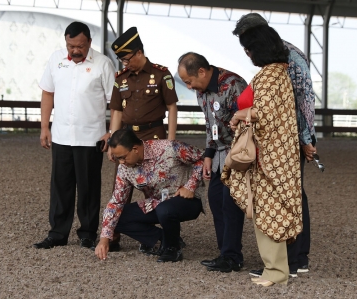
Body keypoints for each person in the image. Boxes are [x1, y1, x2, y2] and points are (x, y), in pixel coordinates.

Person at [232, 13, 317, 277]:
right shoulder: (278, 56)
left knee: (287, 196)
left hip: (287, 140)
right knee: (288, 194)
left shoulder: (288, 57)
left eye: (247, 46)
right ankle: (290, 260)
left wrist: (306, 139)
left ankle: (293, 260)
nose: (246, 53)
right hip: (280, 138)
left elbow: (304, 99)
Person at [222, 25, 303, 286]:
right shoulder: (279, 72)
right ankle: (275, 270)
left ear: (257, 49)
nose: (247, 54)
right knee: (270, 211)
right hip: (276, 154)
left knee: (268, 212)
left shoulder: (270, 75)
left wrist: (239, 115)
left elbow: (264, 113)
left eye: (248, 48)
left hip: (269, 157)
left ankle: (276, 272)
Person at [33, 21, 116, 250]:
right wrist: (44, 127)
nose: (75, 50)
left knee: (89, 187)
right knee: (61, 186)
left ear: (89, 42)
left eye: (80, 46)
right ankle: (58, 233)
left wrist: (112, 132)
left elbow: (116, 102)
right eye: (71, 46)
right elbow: (47, 93)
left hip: (91, 137)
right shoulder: (55, 59)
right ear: (66, 43)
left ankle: (87, 233)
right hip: (61, 135)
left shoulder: (103, 64)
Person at [107, 26, 179, 253]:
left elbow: (172, 107)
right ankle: (114, 236)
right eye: (122, 60)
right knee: (120, 189)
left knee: (159, 190)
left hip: (153, 136)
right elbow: (117, 112)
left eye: (127, 59)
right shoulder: (121, 79)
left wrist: (171, 143)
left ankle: (169, 237)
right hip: (126, 138)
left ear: (139, 52)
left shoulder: (161, 74)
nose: (125, 64)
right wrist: (112, 142)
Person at [177, 52, 248, 273]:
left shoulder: (233, 84)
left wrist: (237, 157)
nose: (189, 87)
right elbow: (210, 125)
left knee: (230, 202)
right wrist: (207, 154)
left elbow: (247, 124)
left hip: (236, 153)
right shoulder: (202, 92)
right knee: (216, 200)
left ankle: (232, 256)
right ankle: (225, 252)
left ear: (201, 71)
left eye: (189, 81)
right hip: (217, 153)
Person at [94, 129, 204, 262]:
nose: (121, 162)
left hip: (187, 200)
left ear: (135, 149)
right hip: (156, 204)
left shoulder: (169, 147)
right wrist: (104, 239)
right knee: (116, 218)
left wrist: (190, 186)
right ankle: (165, 238)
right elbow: (116, 203)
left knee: (165, 210)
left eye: (123, 157)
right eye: (118, 159)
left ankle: (172, 248)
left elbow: (202, 158)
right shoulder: (124, 169)